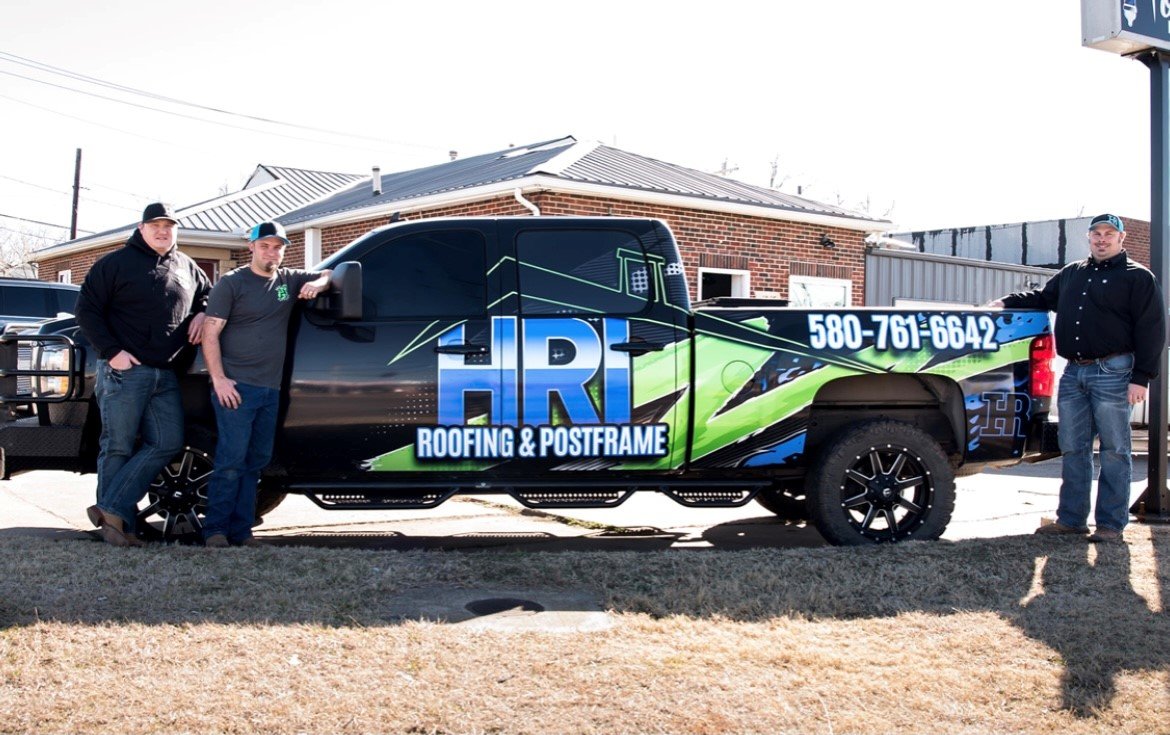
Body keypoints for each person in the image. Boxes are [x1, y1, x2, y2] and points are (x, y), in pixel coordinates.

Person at [989, 213, 1166, 543]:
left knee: (1114, 451)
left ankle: (1110, 526)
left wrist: (1141, 378)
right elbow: (1042, 297)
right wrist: (1005, 302)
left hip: (1115, 373)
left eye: (1109, 233)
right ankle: (1071, 520)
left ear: (1121, 238)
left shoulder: (1138, 278)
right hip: (1073, 374)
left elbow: (1152, 329)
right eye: (1096, 233)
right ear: (1089, 238)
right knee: (1074, 448)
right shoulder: (1072, 273)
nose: (1102, 238)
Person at [76, 202, 211, 547]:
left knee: (167, 442)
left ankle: (109, 510)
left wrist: (202, 312)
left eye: (169, 226)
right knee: (117, 446)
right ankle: (118, 529)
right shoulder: (115, 264)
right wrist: (112, 353)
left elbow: (210, 295)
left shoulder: (187, 266)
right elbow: (87, 310)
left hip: (166, 375)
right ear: (141, 229)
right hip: (126, 372)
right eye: (155, 226)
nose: (163, 232)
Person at [200, 221, 331, 548]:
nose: (271, 252)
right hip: (236, 388)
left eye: (278, 247)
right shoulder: (232, 283)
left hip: (269, 390)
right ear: (252, 247)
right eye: (265, 246)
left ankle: (242, 533)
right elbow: (210, 333)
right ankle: (215, 531)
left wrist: (318, 285)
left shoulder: (288, 281)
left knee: (255, 463)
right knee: (230, 461)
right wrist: (219, 380)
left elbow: (331, 273)